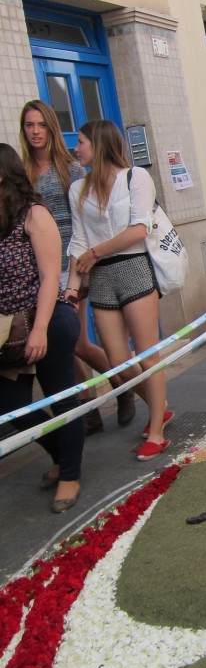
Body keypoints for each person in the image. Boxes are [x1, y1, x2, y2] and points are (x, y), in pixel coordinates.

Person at [19, 100, 135, 435]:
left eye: (41, 124)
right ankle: (88, 408)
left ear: (51, 127)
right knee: (61, 346)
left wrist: (84, 264)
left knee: (79, 343)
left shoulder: (71, 167)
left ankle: (124, 384)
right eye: (30, 125)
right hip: (41, 269)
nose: (36, 131)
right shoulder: (23, 170)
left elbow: (85, 217)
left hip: (72, 262)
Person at [67, 120, 172, 461]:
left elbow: (139, 229)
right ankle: (159, 405)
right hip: (101, 279)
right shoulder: (77, 189)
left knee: (147, 355)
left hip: (133, 269)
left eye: (81, 142)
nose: (76, 148)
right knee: (116, 362)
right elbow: (79, 240)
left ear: (98, 145)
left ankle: (156, 431)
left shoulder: (136, 177)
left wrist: (96, 252)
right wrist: (72, 287)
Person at [0, 144, 84, 512]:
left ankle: (70, 475)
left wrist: (39, 330)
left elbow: (51, 276)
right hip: (7, 331)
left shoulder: (34, 214)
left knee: (61, 396)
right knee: (12, 407)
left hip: (45, 321)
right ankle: (59, 453)